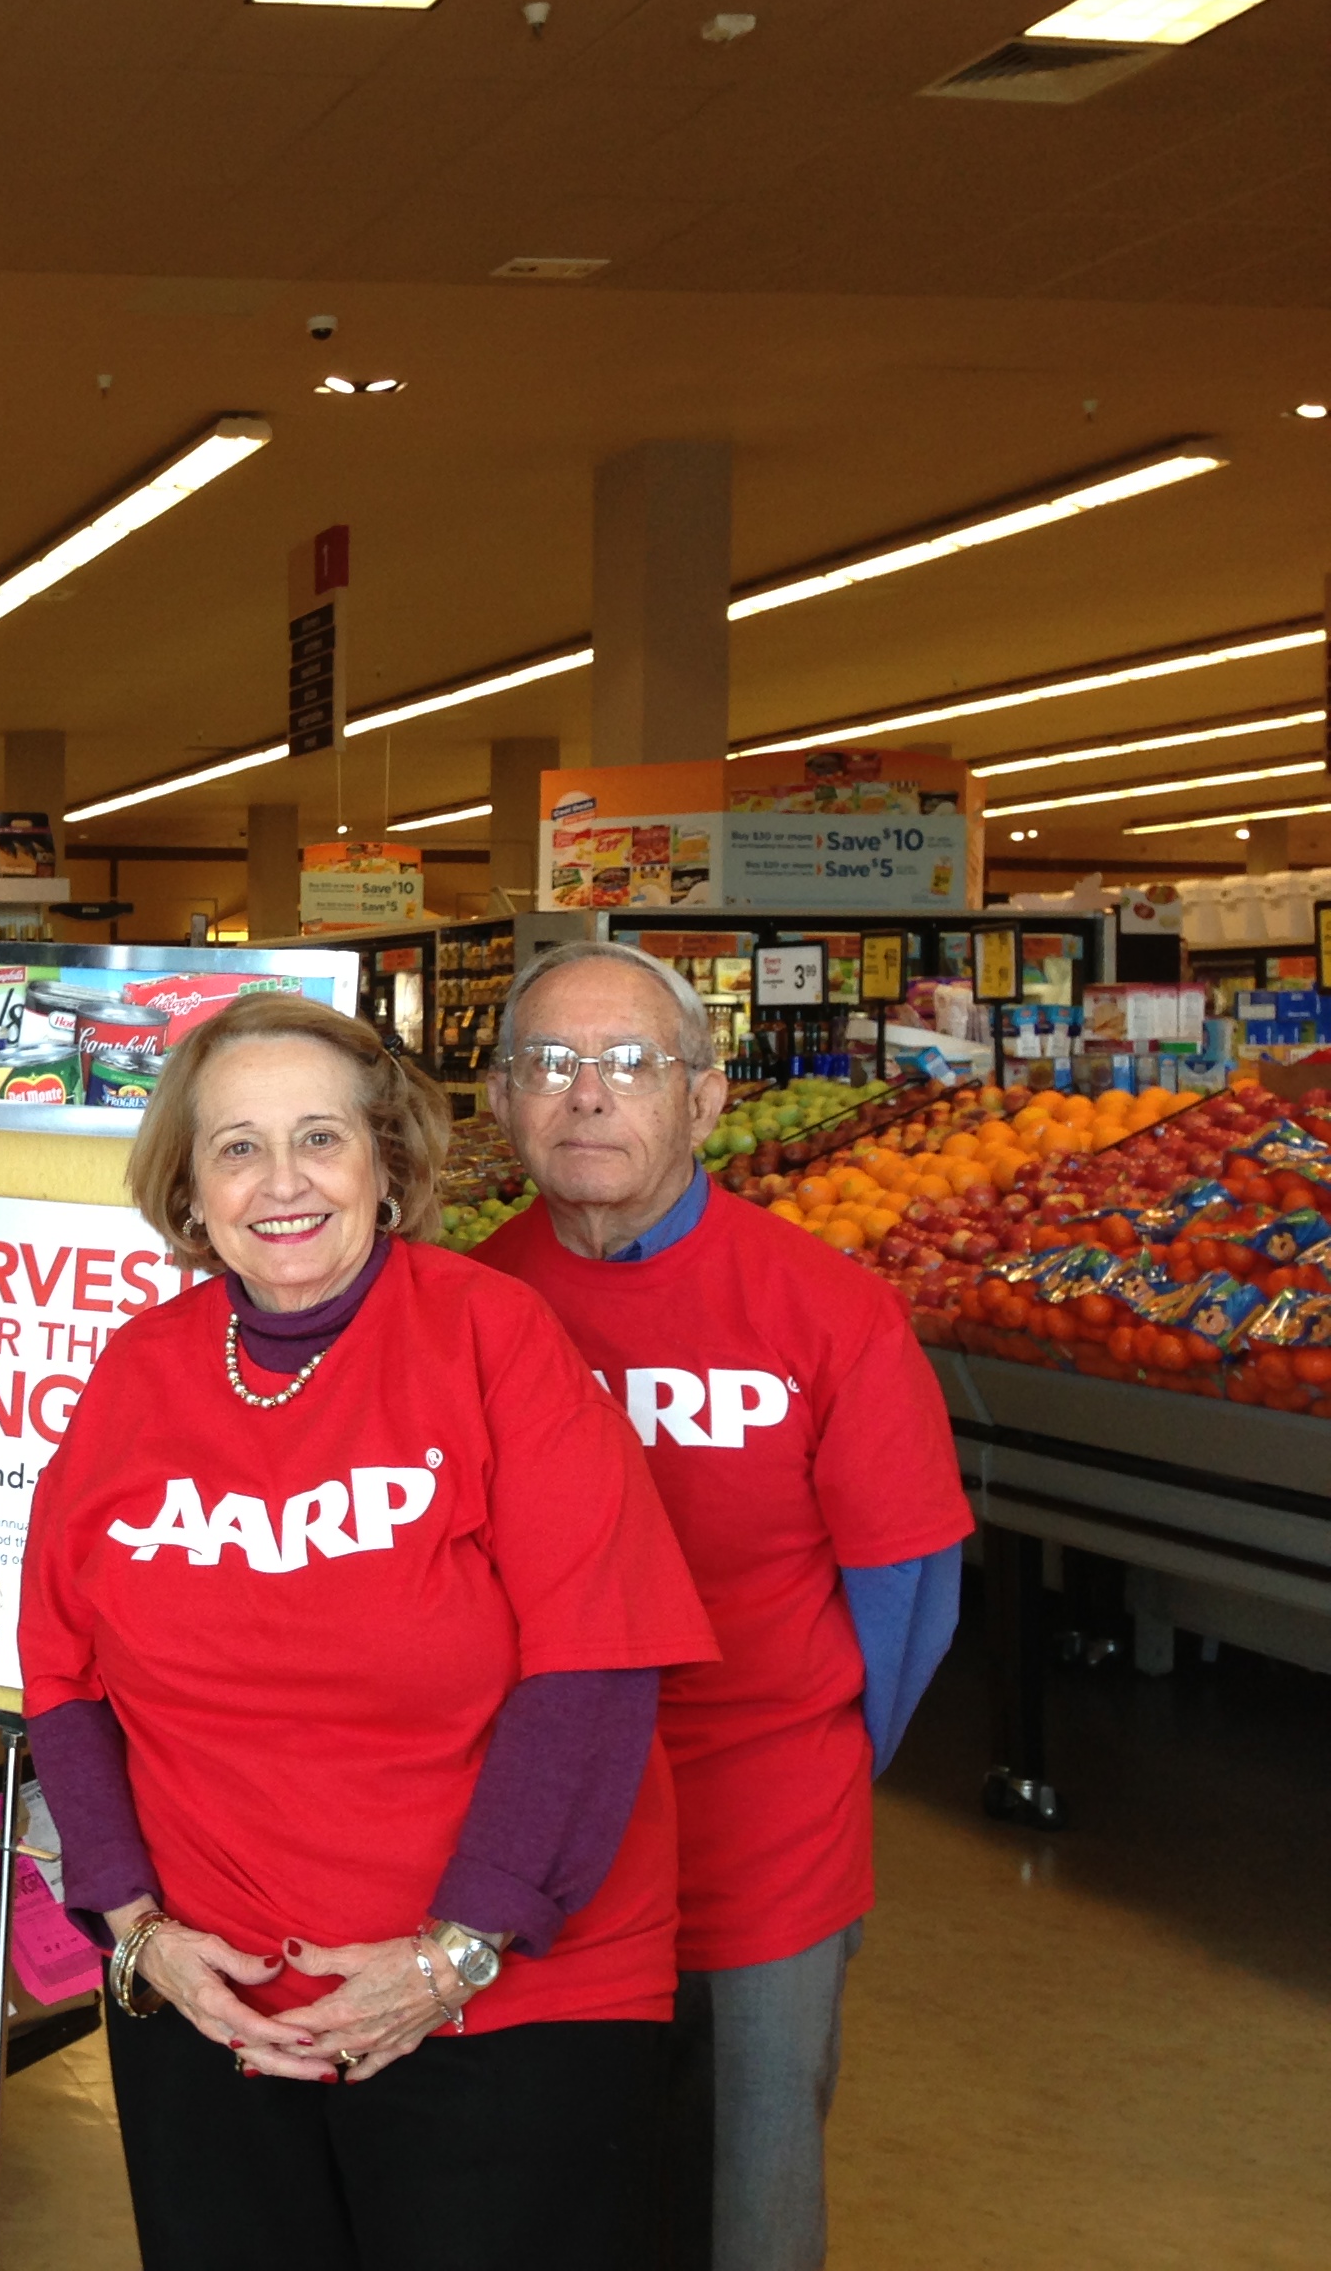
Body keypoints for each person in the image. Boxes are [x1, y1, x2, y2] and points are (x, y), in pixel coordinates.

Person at [21, 991, 719, 2271]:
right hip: (209, 2011)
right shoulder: (135, 1374)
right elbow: (61, 1680)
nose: (280, 1182)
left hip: (506, 2007)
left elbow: (596, 1664)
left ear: (387, 1165)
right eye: (236, 1147)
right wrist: (137, 1936)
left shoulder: (492, 1338)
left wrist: (455, 1955)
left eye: (319, 1140)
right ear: (190, 1190)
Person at [471, 940, 974, 2271]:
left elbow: (908, 1596)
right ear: (502, 1099)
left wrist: (816, 1767)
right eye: (551, 1065)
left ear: (703, 1100)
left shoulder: (827, 1310)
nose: (589, 1095)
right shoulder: (466, 1307)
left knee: (752, 2197)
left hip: (764, 1839)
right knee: (561, 2189)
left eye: (631, 1064)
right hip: (542, 1843)